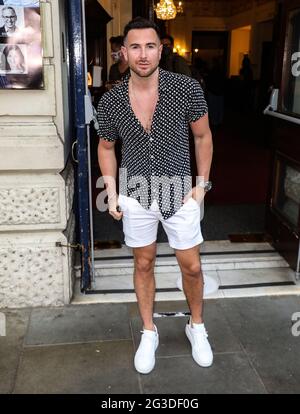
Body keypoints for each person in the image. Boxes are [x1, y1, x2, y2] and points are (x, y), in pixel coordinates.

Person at [97, 17, 213, 374]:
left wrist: (201, 185)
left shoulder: (186, 88)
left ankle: (197, 326)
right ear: (123, 51)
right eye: (135, 47)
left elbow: (203, 137)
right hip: (135, 193)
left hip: (179, 193)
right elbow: (105, 147)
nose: (143, 55)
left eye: (150, 46)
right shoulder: (111, 100)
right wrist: (112, 192)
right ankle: (149, 331)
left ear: (161, 50)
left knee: (191, 266)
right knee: (143, 263)